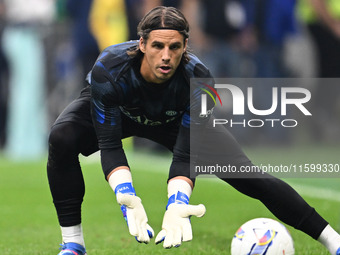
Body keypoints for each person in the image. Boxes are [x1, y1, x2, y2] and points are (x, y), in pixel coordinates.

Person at [47, 6, 340, 255]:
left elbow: (187, 153)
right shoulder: (109, 70)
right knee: (62, 138)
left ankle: (333, 240)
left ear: (185, 47)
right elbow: (110, 145)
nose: (166, 56)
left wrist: (177, 203)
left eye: (174, 47)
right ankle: (73, 245)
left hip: (174, 120)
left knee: (250, 177)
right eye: (158, 46)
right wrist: (126, 195)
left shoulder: (200, 81)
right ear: (141, 44)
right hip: (122, 112)